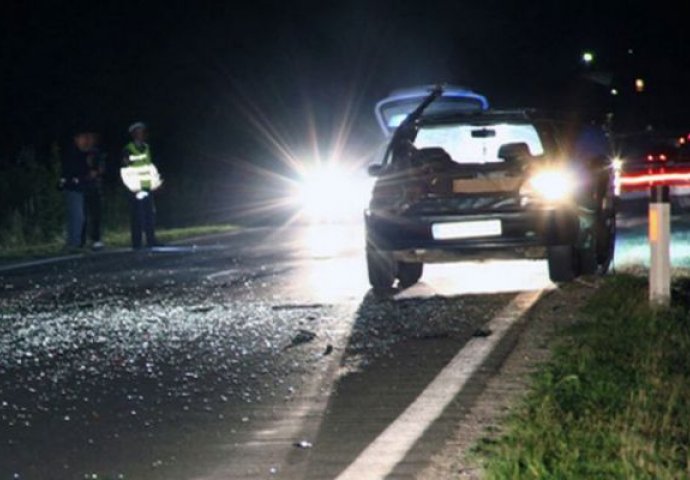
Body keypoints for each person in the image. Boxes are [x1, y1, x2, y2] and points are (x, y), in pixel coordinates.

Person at [121, 122, 159, 249]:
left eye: (143, 131)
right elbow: (125, 166)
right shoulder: (128, 148)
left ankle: (151, 240)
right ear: (134, 134)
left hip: (147, 186)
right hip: (136, 187)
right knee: (137, 215)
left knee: (150, 214)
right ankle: (137, 243)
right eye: (140, 131)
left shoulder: (147, 147)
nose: (142, 134)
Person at [59, 130, 91, 251]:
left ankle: (73, 242)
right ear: (76, 139)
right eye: (82, 137)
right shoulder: (73, 153)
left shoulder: (81, 153)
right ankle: (74, 243)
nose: (85, 140)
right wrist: (74, 180)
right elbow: (70, 170)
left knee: (75, 216)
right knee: (77, 216)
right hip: (73, 188)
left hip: (78, 188)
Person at [82, 132, 106, 250]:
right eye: (87, 138)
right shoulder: (80, 153)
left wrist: (96, 173)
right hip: (82, 188)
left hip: (95, 187)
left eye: (91, 138)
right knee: (83, 216)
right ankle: (81, 240)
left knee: (96, 215)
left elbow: (101, 168)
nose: (88, 140)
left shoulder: (97, 153)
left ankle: (96, 239)